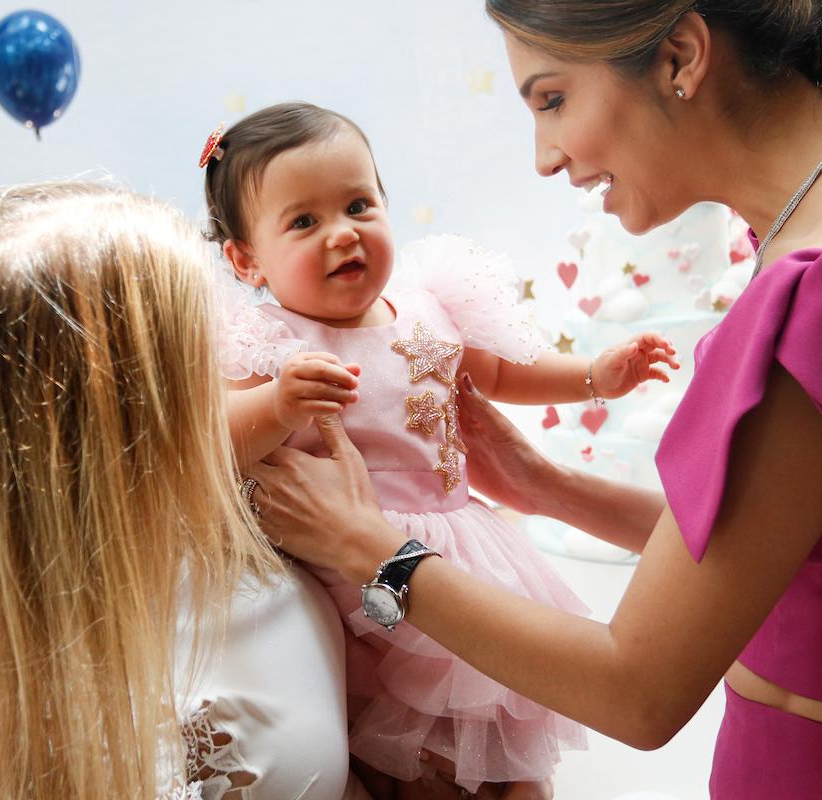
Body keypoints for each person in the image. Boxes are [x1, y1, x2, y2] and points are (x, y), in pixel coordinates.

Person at [243, 2, 822, 797]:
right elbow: (794, 556)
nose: (545, 158)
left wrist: (369, 549)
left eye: (552, 100)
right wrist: (546, 486)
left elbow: (637, 692)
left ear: (680, 56)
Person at [206, 102, 679, 798]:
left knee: (498, 713)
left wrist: (592, 377)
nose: (343, 234)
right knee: (385, 732)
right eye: (304, 222)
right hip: (345, 574)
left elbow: (495, 374)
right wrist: (275, 405)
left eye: (359, 204)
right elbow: (218, 437)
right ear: (246, 259)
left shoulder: (427, 303)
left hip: (460, 548)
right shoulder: (266, 340)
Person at [0, 182, 376, 800]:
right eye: (197, 359)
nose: (233, 379)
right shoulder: (113, 713)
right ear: (109, 423)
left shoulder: (231, 525)